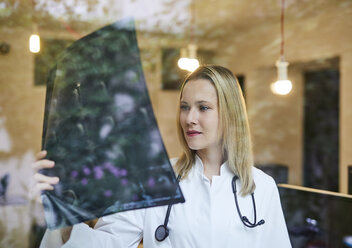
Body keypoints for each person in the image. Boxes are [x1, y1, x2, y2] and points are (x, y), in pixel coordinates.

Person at [33, 65, 292, 247]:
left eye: (203, 108)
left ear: (230, 115)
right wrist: (63, 217)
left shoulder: (262, 187)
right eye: (184, 107)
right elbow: (108, 243)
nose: (189, 119)